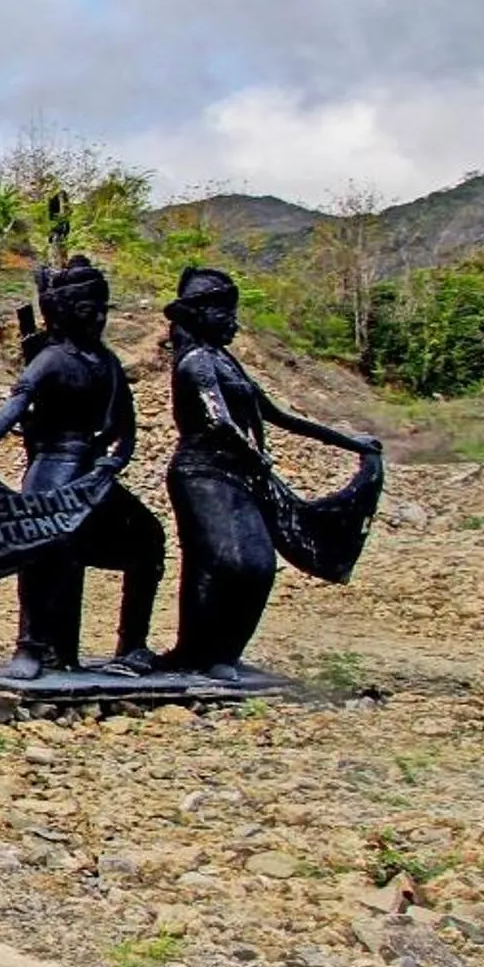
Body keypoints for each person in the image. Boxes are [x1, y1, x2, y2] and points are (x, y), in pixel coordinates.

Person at [0, 256, 165, 680]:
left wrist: (111, 463)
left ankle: (132, 643)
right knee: (43, 553)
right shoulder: (52, 360)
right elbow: (16, 405)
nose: (97, 318)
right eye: (87, 310)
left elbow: (124, 428)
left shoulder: (108, 364)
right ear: (63, 312)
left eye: (102, 309)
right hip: (52, 470)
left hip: (93, 475)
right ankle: (31, 645)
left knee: (148, 541)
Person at [158, 267, 383, 679]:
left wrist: (353, 442)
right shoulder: (195, 363)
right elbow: (218, 421)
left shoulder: (225, 362)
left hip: (238, 474)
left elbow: (280, 415)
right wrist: (254, 457)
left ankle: (224, 654)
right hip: (202, 474)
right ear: (200, 314)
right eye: (224, 313)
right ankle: (195, 653)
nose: (233, 322)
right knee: (228, 562)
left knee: (257, 566)